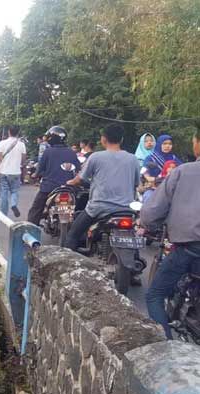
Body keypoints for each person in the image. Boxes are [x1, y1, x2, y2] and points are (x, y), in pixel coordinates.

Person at [141, 129, 200, 339]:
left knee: (154, 295)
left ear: (197, 144)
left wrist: (145, 223)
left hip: (190, 248)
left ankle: (167, 349)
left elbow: (152, 210)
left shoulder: (182, 171)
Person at [64, 124, 139, 250]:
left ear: (103, 139)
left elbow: (80, 179)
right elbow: (136, 183)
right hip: (126, 209)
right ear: (121, 140)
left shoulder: (96, 157)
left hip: (99, 208)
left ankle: (67, 264)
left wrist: (70, 182)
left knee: (72, 235)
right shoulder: (133, 159)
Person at [27, 126, 80, 225]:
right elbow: (78, 169)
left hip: (49, 188)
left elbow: (39, 169)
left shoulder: (48, 152)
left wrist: (35, 175)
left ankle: (30, 233)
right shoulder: (72, 152)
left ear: (53, 138)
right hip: (70, 188)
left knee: (35, 210)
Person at [0, 125, 26, 217]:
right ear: (18, 132)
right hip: (16, 172)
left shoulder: (2, 143)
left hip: (4, 171)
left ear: (9, 132)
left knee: (4, 192)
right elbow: (23, 159)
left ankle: (3, 214)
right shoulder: (21, 144)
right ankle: (13, 204)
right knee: (14, 191)